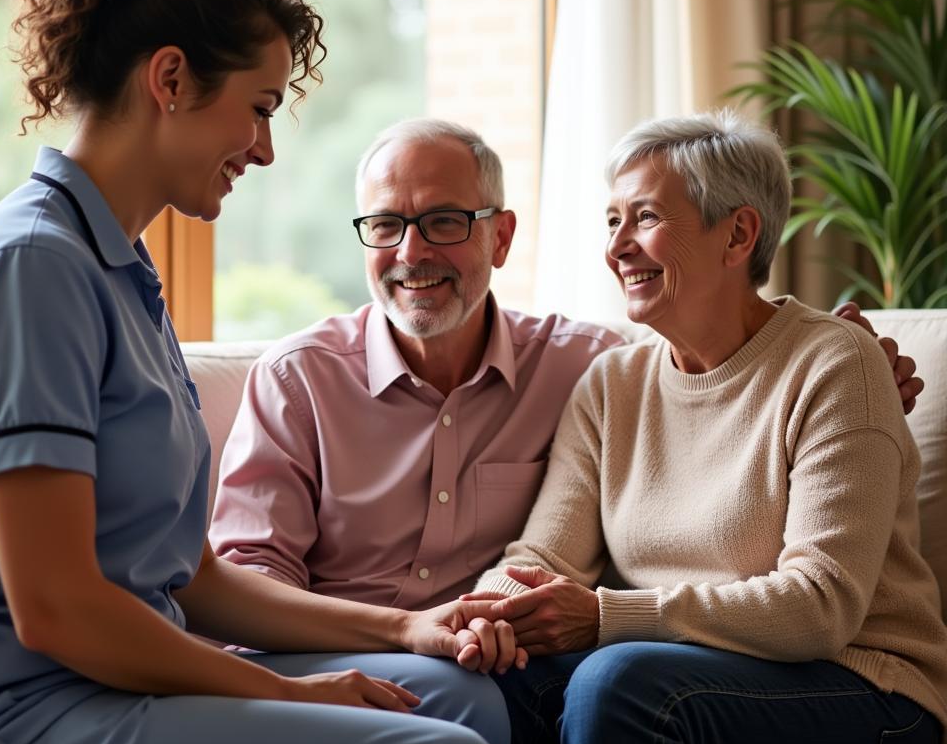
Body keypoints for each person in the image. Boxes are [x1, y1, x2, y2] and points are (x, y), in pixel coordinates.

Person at [0, 0, 513, 744]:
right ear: (170, 79)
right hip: (8, 703)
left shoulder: (115, 264)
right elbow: (56, 609)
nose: (266, 149)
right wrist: (288, 697)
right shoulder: (34, 268)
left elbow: (188, 578)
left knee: (463, 696)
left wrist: (405, 629)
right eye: (260, 107)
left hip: (101, 674)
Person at [463, 109, 947, 744]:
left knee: (615, 685)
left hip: (862, 683)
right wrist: (481, 616)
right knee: (509, 679)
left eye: (645, 218)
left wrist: (606, 618)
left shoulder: (836, 365)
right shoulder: (612, 384)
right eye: (612, 220)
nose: (617, 247)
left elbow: (822, 607)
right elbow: (544, 558)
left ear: (739, 234)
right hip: (685, 673)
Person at [209, 117, 923, 617]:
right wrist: (410, 638)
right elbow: (245, 586)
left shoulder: (588, 367)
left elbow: (733, 360)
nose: (410, 252)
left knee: (553, 698)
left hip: (488, 663)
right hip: (339, 661)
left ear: (501, 236)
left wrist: (851, 361)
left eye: (445, 222)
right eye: (386, 225)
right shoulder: (298, 379)